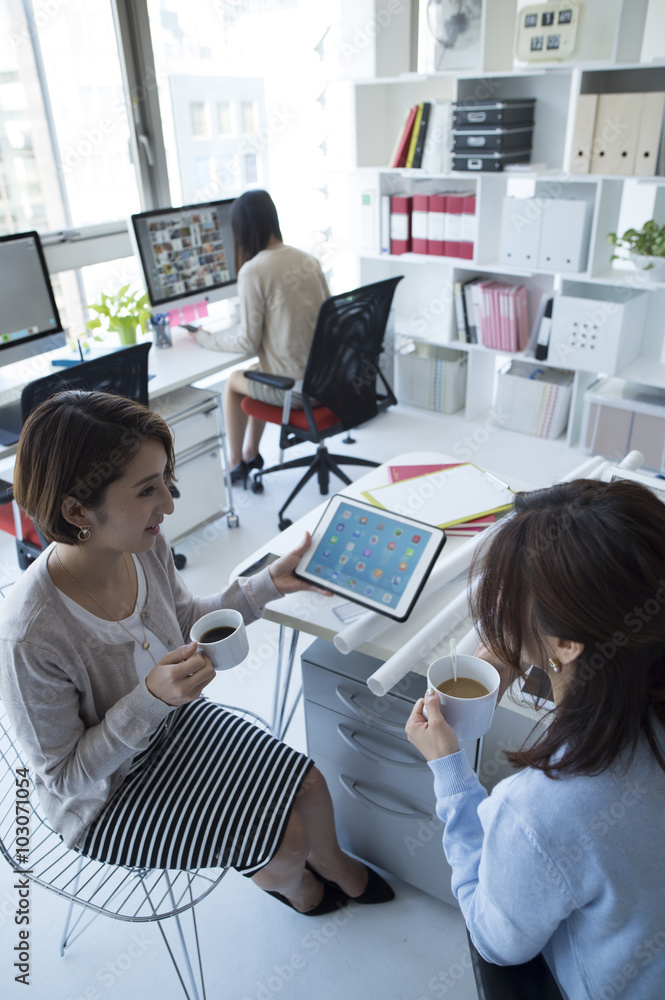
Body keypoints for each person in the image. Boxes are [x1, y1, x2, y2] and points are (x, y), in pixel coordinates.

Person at [0, 390, 393, 914]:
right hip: (108, 798)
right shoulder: (29, 635)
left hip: (174, 725)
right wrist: (149, 699)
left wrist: (270, 583)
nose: (167, 503)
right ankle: (303, 892)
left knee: (312, 782)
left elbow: (186, 621)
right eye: (146, 490)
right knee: (287, 843)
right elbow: (66, 776)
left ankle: (340, 869)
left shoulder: (142, 543)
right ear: (76, 510)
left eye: (165, 480)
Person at [406, 479, 665, 999]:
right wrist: (531, 655)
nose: (499, 608)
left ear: (568, 643)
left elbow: (497, 941)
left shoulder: (541, 810)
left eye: (511, 597)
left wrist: (451, 775)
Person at [191, 189, 330, 486]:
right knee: (257, 374)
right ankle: (252, 453)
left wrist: (205, 338)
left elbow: (246, 342)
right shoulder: (308, 260)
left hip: (298, 391)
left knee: (234, 382)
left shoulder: (253, 270)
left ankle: (236, 462)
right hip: (328, 379)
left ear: (241, 229)